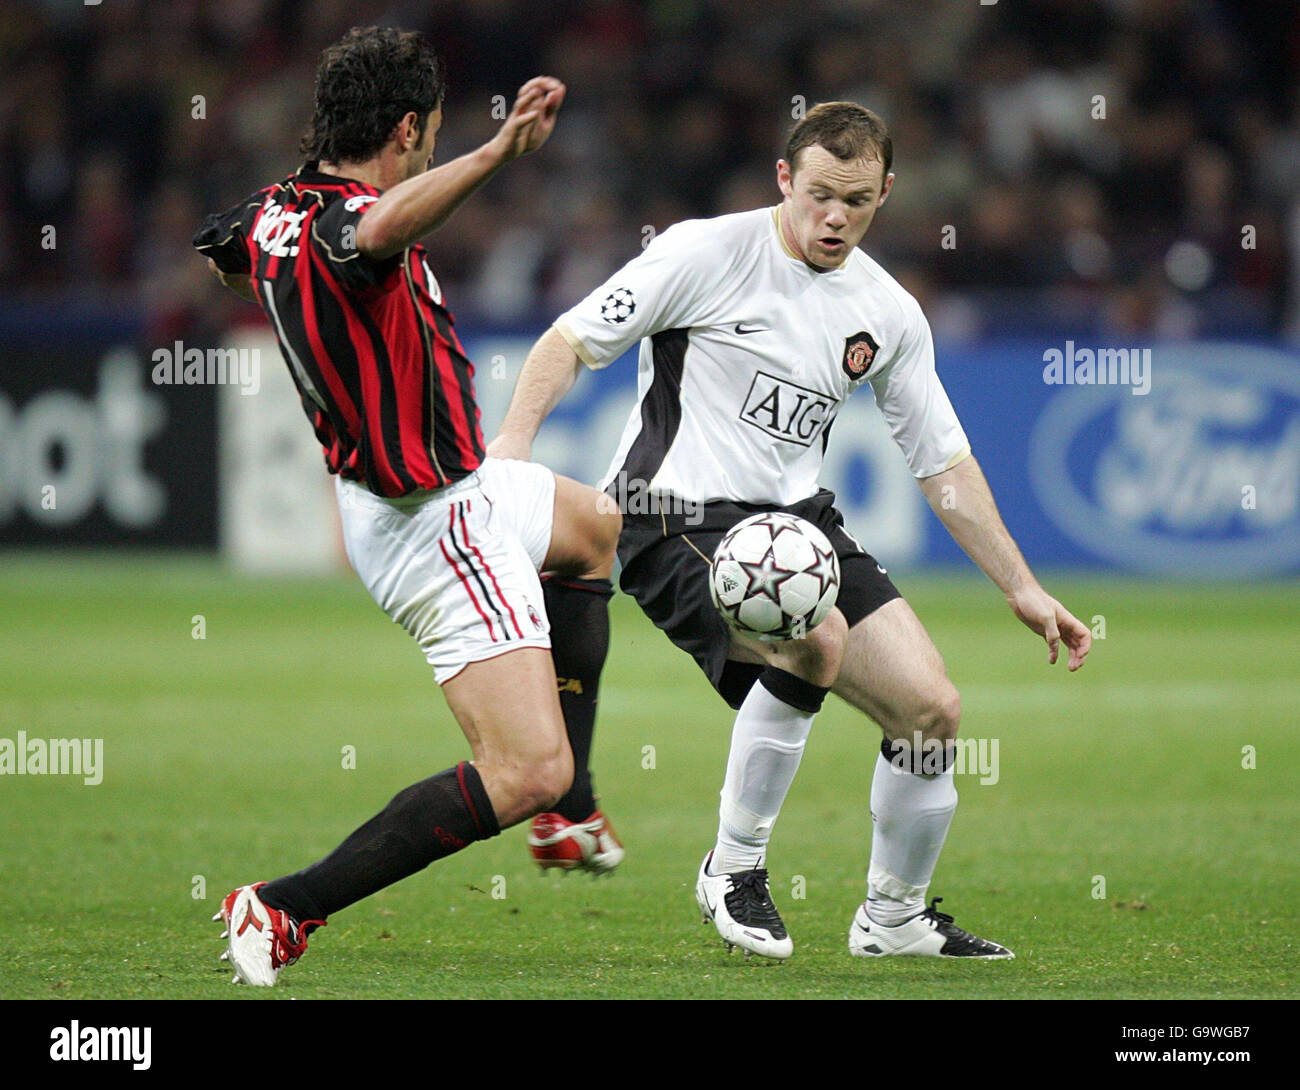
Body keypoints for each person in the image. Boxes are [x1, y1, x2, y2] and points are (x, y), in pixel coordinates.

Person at [489, 101, 1092, 961]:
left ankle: (894, 917)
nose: (835, 217)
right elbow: (569, 340)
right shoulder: (706, 252)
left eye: (856, 199)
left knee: (931, 711)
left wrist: (1021, 587)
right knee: (817, 641)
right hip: (671, 518)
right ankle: (732, 870)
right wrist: (512, 449)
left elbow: (942, 463)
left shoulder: (887, 311)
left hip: (794, 529)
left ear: (887, 192)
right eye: (818, 195)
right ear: (784, 179)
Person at [193, 26, 622, 986]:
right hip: (431, 519)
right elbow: (375, 234)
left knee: (594, 527)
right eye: (429, 135)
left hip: (435, 489)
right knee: (522, 769)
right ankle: (283, 906)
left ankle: (571, 812)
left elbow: (222, 250)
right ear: (408, 128)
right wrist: (499, 151)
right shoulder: (355, 225)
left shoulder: (271, 212)